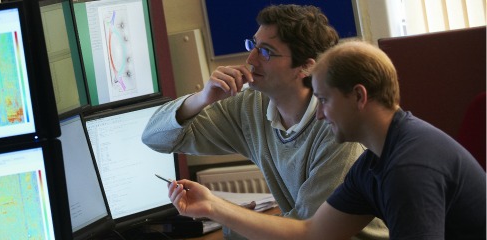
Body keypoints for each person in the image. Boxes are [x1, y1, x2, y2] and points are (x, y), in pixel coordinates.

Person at [166, 41, 487, 239]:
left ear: (359, 96)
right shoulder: (374, 162)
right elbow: (311, 232)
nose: (319, 114)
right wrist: (214, 207)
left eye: (325, 100)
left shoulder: (409, 166)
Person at [142, 4, 387, 239]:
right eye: (254, 44)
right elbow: (154, 137)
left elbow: (310, 232)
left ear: (306, 67)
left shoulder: (337, 130)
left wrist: (221, 212)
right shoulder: (251, 105)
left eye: (266, 51)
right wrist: (202, 98)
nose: (251, 58)